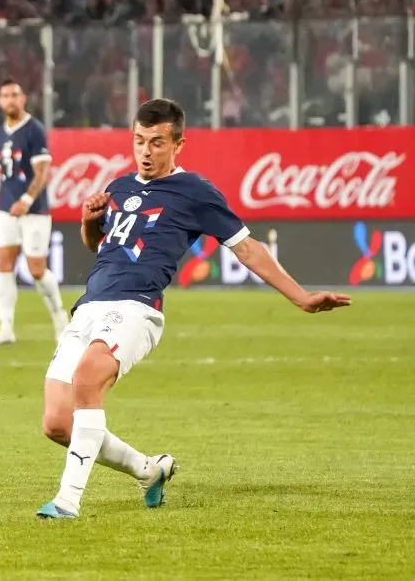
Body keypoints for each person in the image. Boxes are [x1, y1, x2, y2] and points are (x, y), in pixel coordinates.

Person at [36, 98, 351, 519]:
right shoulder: (119, 187)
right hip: (89, 306)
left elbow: (248, 248)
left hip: (136, 308)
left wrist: (301, 296)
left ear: (178, 144)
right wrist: (89, 222)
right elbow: (100, 246)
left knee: (88, 377)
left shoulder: (195, 192)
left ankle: (67, 501)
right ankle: (148, 470)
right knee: (57, 422)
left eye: (157, 143)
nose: (145, 151)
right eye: (139, 141)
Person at [0, 80, 67, 346]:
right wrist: (11, 201)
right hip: (5, 208)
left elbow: (42, 172)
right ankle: (5, 326)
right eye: (5, 95)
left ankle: (60, 318)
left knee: (36, 269)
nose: (10, 99)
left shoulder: (34, 130)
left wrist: (27, 199)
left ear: (23, 99)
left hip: (34, 210)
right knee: (3, 264)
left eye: (15, 95)